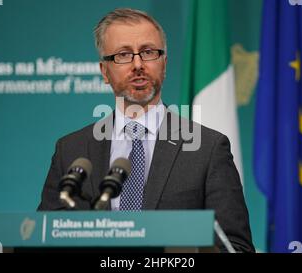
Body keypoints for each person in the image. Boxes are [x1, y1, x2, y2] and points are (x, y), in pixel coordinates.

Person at [38, 8, 254, 252]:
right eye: (123, 55)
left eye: (149, 52)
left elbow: (236, 247)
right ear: (104, 71)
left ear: (164, 63)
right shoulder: (71, 150)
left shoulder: (208, 148)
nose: (138, 64)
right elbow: (43, 240)